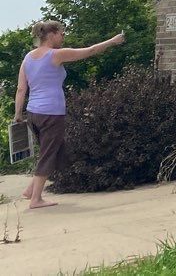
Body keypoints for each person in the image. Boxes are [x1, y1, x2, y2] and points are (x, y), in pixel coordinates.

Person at [12, 20, 125, 209]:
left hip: (33, 113)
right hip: (51, 113)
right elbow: (89, 51)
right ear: (52, 34)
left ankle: (30, 190)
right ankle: (36, 200)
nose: (63, 37)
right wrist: (112, 41)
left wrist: (18, 114)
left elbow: (21, 89)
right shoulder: (55, 55)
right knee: (49, 153)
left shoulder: (28, 58)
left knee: (53, 151)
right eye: (62, 33)